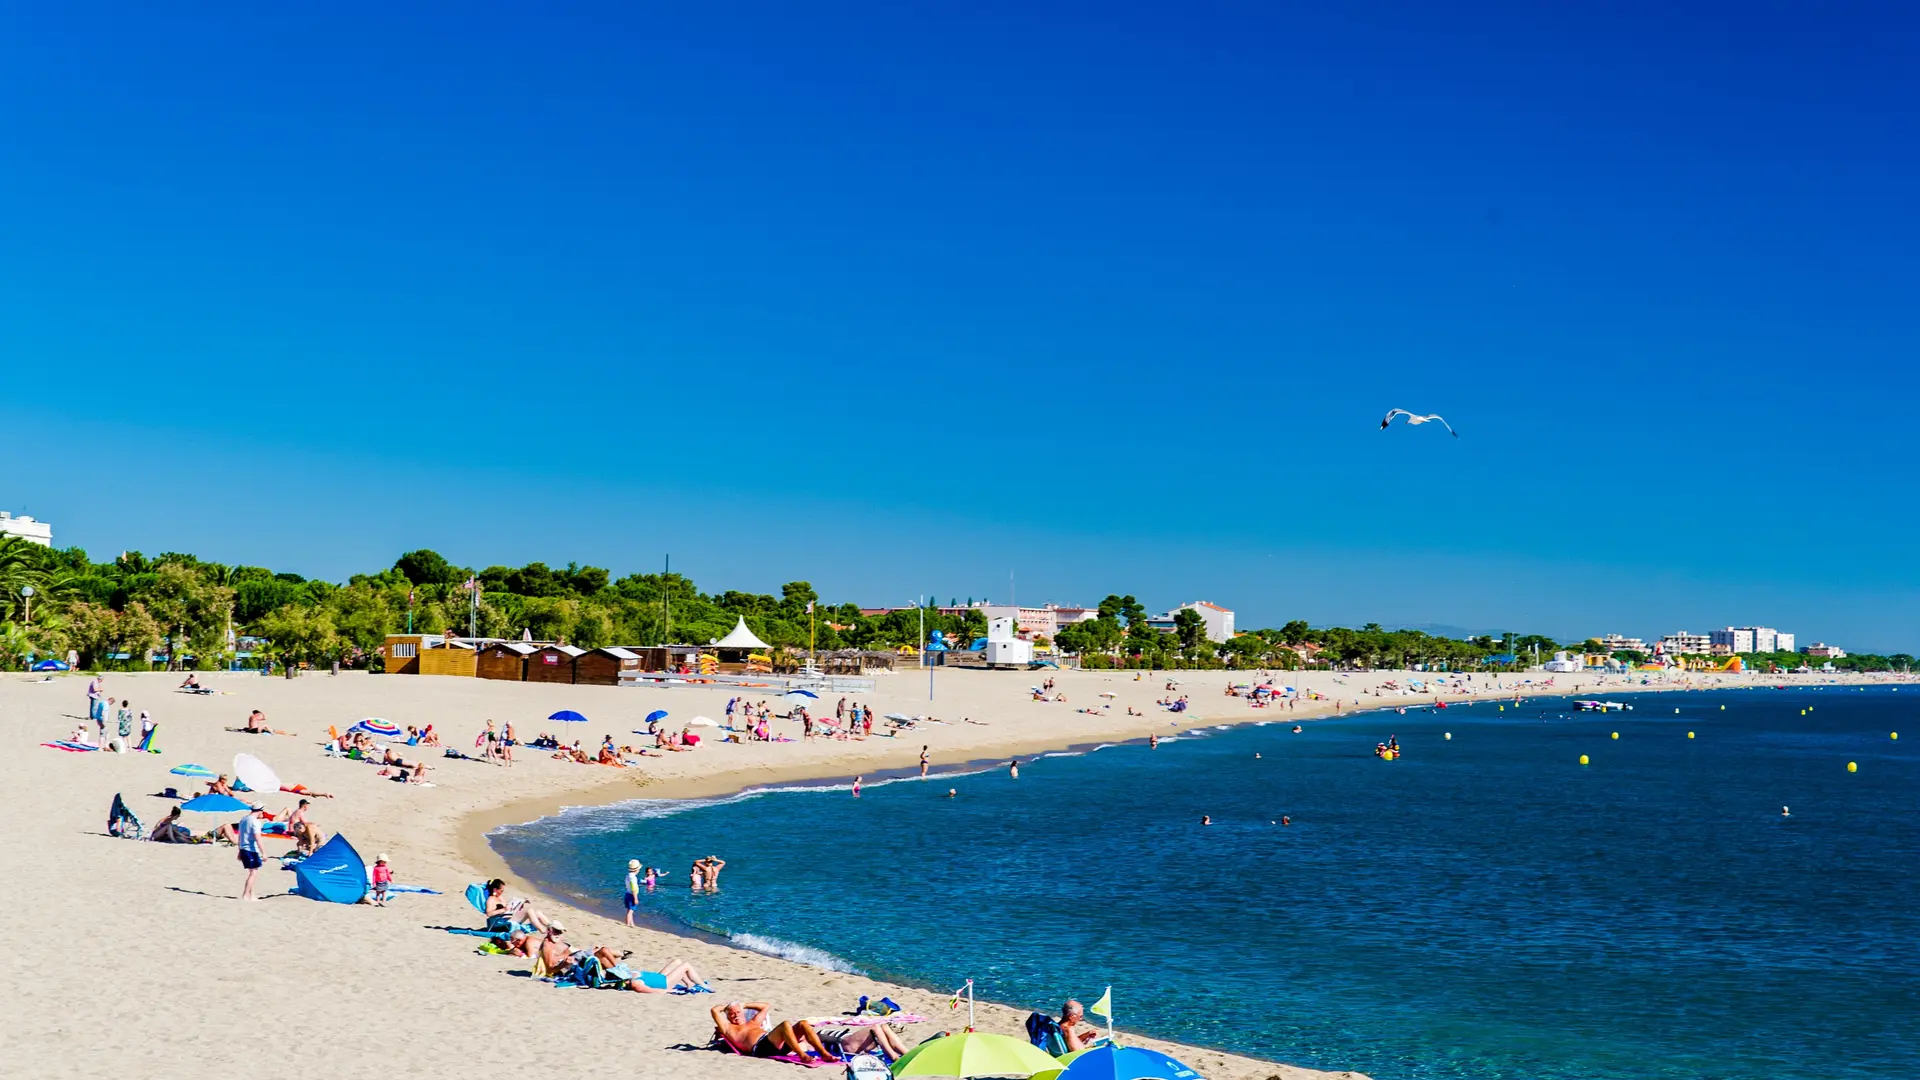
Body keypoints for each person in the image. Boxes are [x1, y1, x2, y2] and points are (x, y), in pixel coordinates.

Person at [712, 1001, 840, 1061]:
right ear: (727, 1017)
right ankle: (802, 1055)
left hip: (777, 1044)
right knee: (785, 1025)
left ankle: (823, 1053)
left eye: (738, 1012)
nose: (735, 1015)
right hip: (760, 1048)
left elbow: (765, 1007)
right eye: (732, 1014)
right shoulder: (728, 1028)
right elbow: (714, 1010)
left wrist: (743, 1004)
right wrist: (728, 1006)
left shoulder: (752, 1022)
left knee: (803, 1024)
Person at [236, 805, 266, 901]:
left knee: (252, 872)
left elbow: (240, 836)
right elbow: (258, 838)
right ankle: (245, 895)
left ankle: (252, 895)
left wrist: (240, 850)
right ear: (260, 811)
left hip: (244, 848)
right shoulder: (255, 821)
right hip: (251, 849)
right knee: (253, 873)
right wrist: (264, 852)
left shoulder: (243, 819)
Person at [624, 859, 642, 925]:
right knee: (630, 911)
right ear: (636, 870)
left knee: (629, 910)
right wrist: (635, 898)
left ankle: (632, 924)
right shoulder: (633, 878)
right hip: (632, 895)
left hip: (627, 894)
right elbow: (634, 889)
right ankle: (628, 924)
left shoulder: (628, 876)